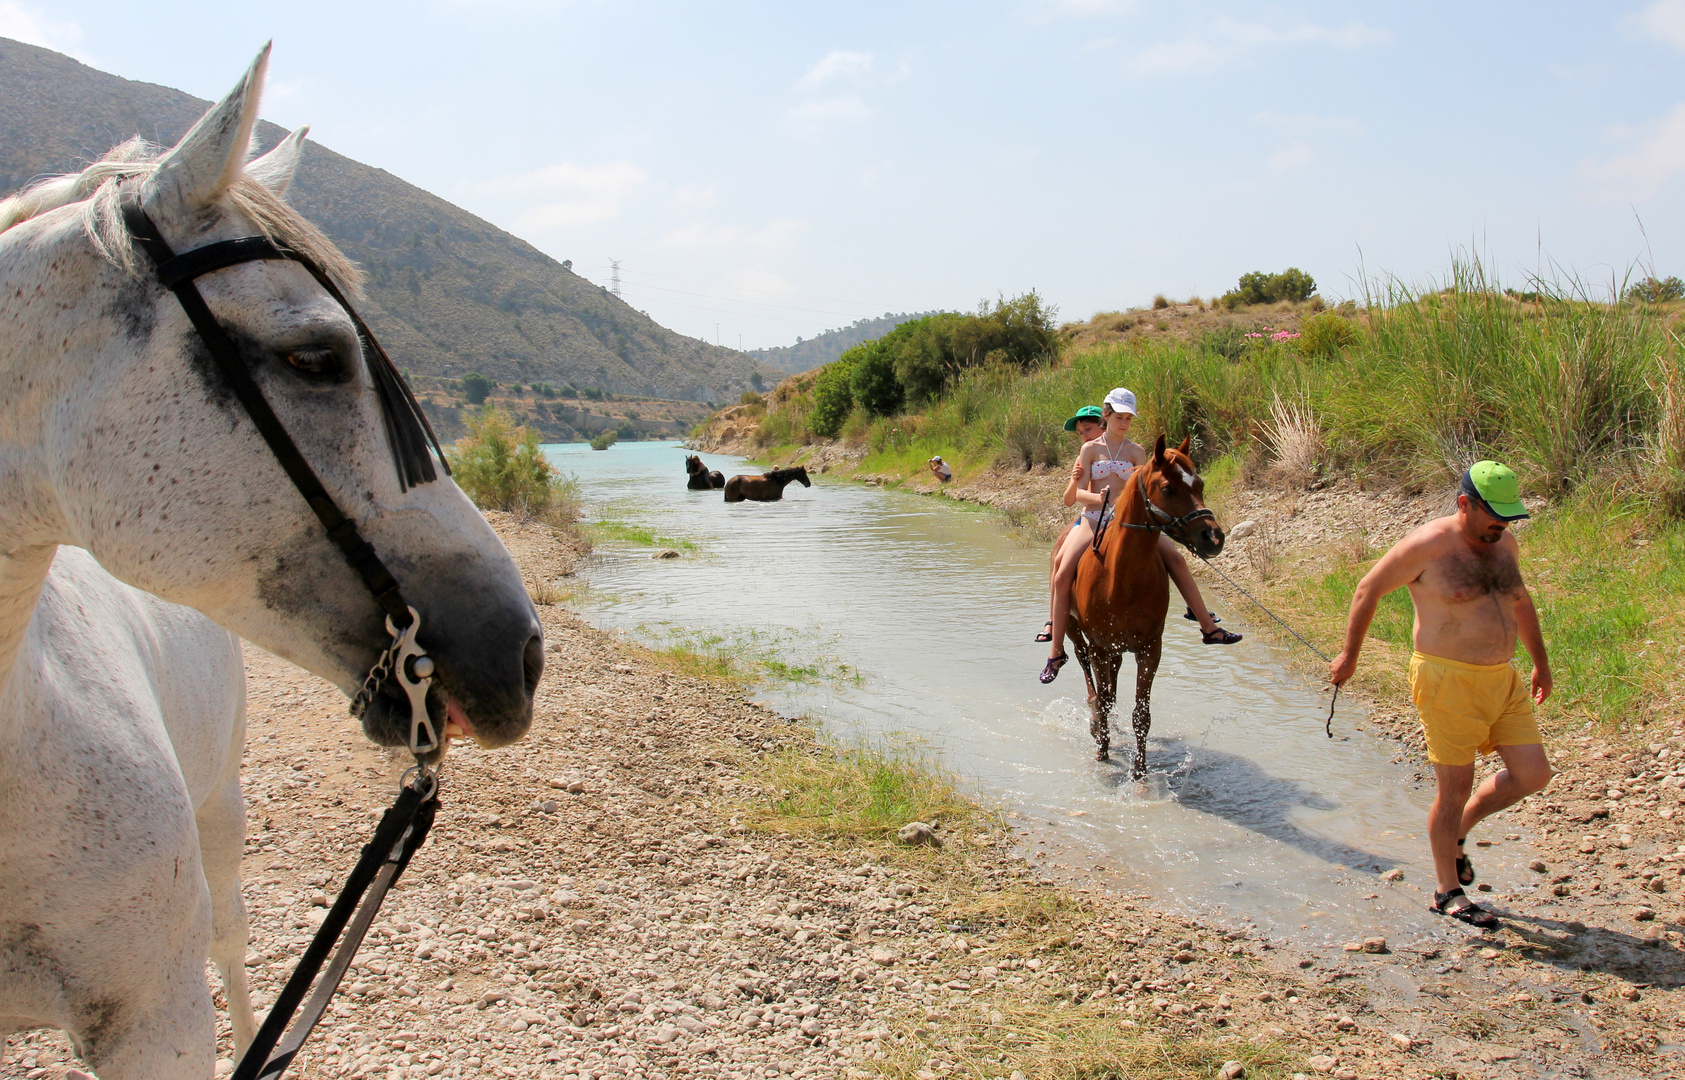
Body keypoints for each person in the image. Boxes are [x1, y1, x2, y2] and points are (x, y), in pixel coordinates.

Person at [1327, 460, 1554, 929]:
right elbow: (1367, 589)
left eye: (1510, 516)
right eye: (1495, 515)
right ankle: (1446, 891)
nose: (1504, 525)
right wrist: (1349, 657)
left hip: (1502, 679)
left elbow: (1520, 600)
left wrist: (1541, 662)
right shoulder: (1427, 546)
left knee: (1533, 774)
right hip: (1445, 679)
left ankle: (1458, 837)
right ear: (1464, 504)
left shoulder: (1504, 542)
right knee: (1453, 789)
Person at [1040, 388, 1240, 684]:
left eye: (1128, 418)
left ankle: (1208, 627)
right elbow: (1079, 492)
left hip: (1131, 521)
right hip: (1095, 518)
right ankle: (1056, 651)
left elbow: (1145, 492)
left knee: (1176, 560)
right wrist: (1101, 499)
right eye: (1119, 417)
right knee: (1061, 571)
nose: (1124, 423)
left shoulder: (1137, 451)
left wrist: (1131, 504)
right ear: (1106, 416)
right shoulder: (1091, 449)